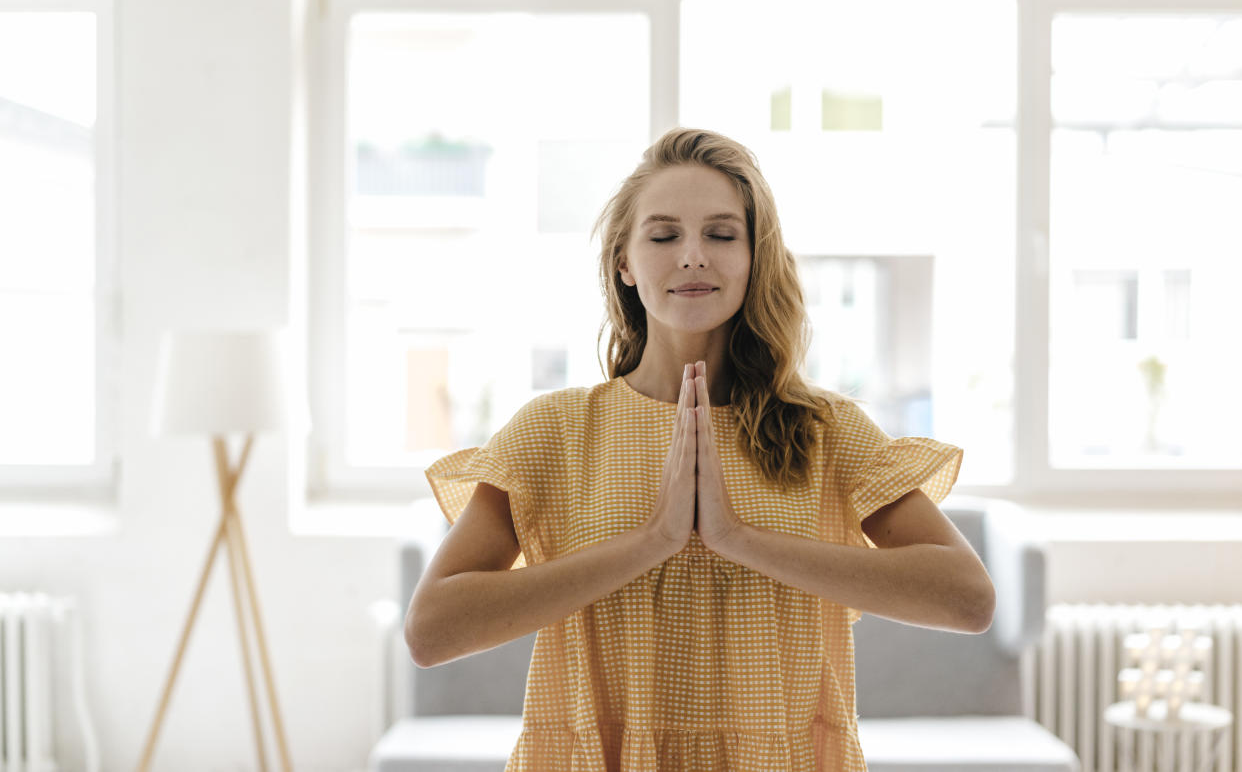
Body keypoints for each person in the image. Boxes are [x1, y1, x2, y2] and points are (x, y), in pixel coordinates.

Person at [405, 127, 994, 771]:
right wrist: (651, 540)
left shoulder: (825, 428)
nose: (692, 257)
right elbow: (431, 631)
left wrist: (737, 536)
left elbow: (967, 598)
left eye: (721, 234)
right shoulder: (554, 431)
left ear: (753, 259)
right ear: (625, 263)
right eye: (663, 236)